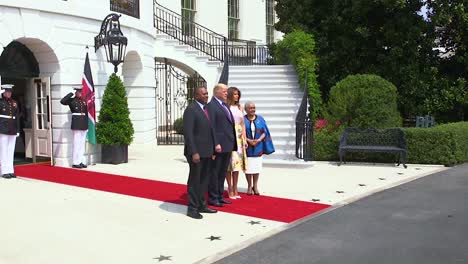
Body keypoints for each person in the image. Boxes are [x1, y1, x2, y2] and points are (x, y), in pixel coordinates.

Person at [183, 86, 218, 219]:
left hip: (207, 152)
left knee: (204, 180)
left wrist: (213, 149)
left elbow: (211, 130)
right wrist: (194, 152)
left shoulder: (206, 109)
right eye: (203, 94)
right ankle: (192, 208)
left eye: (207, 93)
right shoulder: (191, 110)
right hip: (196, 153)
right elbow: (189, 133)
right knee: (195, 180)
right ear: (196, 95)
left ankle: (202, 205)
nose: (206, 96)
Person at [206, 83, 237, 207]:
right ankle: (213, 198)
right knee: (215, 172)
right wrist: (215, 143)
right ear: (216, 92)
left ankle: (219, 195)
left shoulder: (224, 105)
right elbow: (211, 126)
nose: (226, 93)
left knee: (222, 172)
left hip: (227, 145)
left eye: (227, 91)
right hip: (219, 146)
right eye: (224, 91)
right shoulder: (211, 106)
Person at [244, 101, 275, 195]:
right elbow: (240, 132)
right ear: (246, 109)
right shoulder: (243, 119)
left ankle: (255, 186)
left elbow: (265, 131)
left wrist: (258, 140)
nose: (252, 109)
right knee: (248, 168)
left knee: (256, 167)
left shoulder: (260, 118)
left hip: (258, 145)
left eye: (253, 108)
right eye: (250, 108)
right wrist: (248, 140)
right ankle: (249, 186)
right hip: (247, 146)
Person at [225, 87, 247, 199]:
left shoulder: (239, 107)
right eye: (234, 94)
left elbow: (243, 124)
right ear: (229, 95)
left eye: (238, 94)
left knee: (237, 164)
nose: (237, 96)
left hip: (239, 137)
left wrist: (245, 138)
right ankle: (229, 187)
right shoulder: (226, 106)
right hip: (229, 135)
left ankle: (235, 188)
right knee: (230, 164)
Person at [60, 86, 88, 169]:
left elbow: (86, 113)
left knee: (82, 144)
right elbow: (62, 101)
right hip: (76, 123)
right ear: (76, 93)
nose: (80, 93)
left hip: (83, 123)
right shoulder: (72, 100)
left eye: (81, 92)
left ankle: (80, 161)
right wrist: (70, 93)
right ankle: (75, 162)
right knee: (76, 143)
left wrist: (87, 124)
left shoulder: (83, 101)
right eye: (78, 92)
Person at [0, 84, 20, 179]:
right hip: (3, 128)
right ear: (3, 92)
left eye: (10, 92)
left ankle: (10, 170)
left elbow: (17, 118)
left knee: (10, 150)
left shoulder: (14, 103)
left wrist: (18, 130)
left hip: (13, 128)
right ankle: (4, 171)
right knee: (3, 150)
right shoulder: (0, 102)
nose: (9, 93)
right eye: (7, 92)